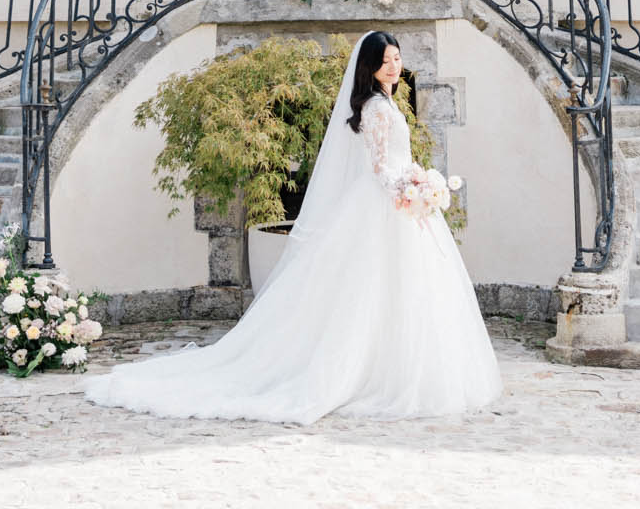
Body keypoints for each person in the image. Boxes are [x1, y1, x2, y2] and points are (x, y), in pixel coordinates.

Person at [85, 29, 502, 423]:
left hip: (398, 201)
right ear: (370, 67)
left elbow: (395, 159)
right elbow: (378, 167)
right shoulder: (375, 107)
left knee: (399, 288)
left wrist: (418, 180)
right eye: (385, 61)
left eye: (396, 59)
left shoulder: (387, 102)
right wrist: (410, 190)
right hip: (384, 204)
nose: (393, 66)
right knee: (374, 288)